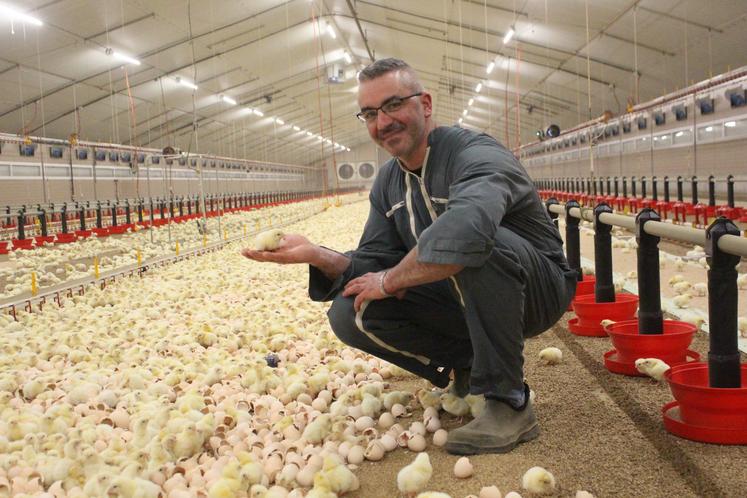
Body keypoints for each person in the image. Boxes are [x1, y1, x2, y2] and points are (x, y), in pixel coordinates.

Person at [241, 58, 576, 455]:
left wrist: (390, 281)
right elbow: (374, 259)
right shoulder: (388, 182)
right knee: (351, 310)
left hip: (535, 289)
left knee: (479, 243)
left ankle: (509, 402)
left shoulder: (475, 154)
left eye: (393, 105)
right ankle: (471, 365)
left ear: (426, 104)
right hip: (459, 295)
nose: (382, 122)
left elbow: (468, 230)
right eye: (370, 113)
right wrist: (317, 254)